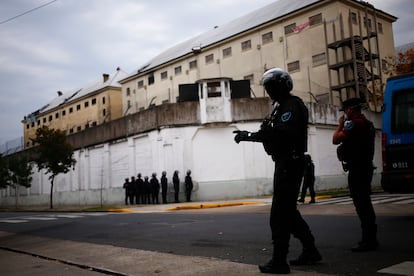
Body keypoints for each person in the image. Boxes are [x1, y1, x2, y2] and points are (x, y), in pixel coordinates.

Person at [234, 68, 321, 274]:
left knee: (279, 214)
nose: (268, 92)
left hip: (290, 163)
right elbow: (269, 133)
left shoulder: (291, 106)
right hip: (284, 163)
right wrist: (247, 135)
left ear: (279, 87)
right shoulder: (280, 107)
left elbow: (281, 135)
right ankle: (310, 250)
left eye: (270, 88)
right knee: (288, 212)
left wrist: (261, 134)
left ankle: (280, 261)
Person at [332, 97, 377, 252]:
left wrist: (339, 125)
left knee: (362, 205)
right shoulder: (367, 123)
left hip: (358, 169)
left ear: (350, 110)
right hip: (364, 167)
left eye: (345, 110)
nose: (344, 114)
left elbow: (335, 139)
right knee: (365, 204)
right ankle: (371, 238)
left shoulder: (354, 123)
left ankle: (369, 240)